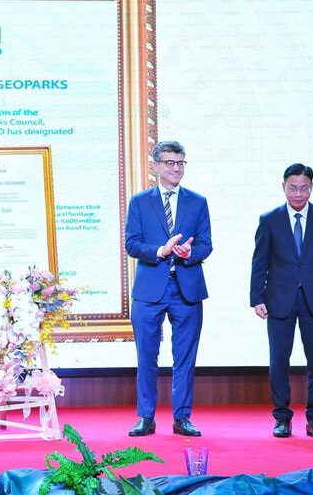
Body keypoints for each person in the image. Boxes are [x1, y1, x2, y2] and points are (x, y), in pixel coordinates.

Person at [125, 140, 212, 437]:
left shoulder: (197, 202)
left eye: (180, 163)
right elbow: (132, 243)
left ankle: (182, 417)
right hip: (150, 288)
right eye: (170, 163)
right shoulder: (140, 201)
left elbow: (206, 244)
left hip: (187, 287)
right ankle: (146, 417)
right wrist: (160, 251)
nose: (176, 168)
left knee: (185, 357)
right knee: (146, 356)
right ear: (156, 166)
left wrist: (191, 253)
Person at [250, 163, 313, 439]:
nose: (298, 193)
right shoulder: (269, 220)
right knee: (279, 360)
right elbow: (260, 263)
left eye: (304, 188)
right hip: (279, 299)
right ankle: (282, 418)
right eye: (293, 188)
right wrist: (257, 297)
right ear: (283, 187)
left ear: (311, 188)